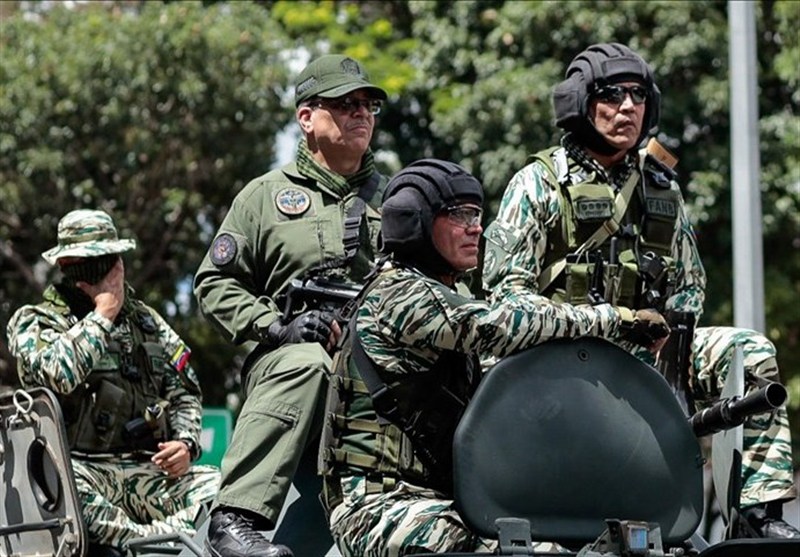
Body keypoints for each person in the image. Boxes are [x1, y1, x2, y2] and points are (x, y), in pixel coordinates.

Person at [482, 42, 799, 539]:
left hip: (643, 363)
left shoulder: (661, 188)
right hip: (558, 367)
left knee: (748, 350)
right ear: (581, 102)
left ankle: (756, 516)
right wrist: (606, 323)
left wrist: (669, 348)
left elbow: (689, 288)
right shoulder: (538, 184)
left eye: (638, 95)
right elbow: (507, 305)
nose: (628, 107)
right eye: (612, 95)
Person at [318, 158, 666, 556]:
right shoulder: (399, 295)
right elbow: (503, 326)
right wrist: (616, 320)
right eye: (460, 215)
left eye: (477, 215)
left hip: (447, 502)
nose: (476, 228)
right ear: (415, 221)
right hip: (378, 506)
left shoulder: (447, 297)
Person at [193, 54, 390, 557]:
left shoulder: (395, 202)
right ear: (307, 117)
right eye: (345, 104)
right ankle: (234, 518)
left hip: (375, 370)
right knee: (308, 361)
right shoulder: (264, 197)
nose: (360, 113)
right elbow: (214, 283)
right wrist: (278, 327)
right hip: (289, 365)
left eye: (367, 105)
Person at [6, 209, 220, 557]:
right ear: (64, 265)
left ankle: (155, 540)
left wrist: (185, 444)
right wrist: (103, 314)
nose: (102, 270)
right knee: (66, 498)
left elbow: (184, 392)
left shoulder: (146, 322)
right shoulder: (34, 321)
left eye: (106, 259)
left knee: (225, 488)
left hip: (146, 470)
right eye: (86, 262)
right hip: (78, 468)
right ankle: (157, 541)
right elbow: (59, 373)